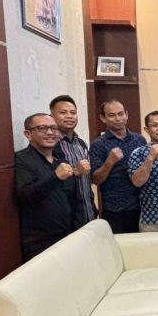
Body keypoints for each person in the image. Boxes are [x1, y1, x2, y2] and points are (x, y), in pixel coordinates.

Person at [15, 113, 77, 261]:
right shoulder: (22, 159)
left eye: (54, 128)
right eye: (42, 128)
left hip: (66, 234)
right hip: (40, 240)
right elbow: (25, 195)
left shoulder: (59, 159)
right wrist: (55, 177)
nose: (50, 132)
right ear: (28, 134)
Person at [89, 100, 146, 233]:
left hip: (143, 205)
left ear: (126, 115)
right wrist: (109, 161)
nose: (118, 119)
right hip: (116, 209)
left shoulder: (139, 139)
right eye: (112, 115)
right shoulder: (98, 144)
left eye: (121, 114)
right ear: (103, 118)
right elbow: (95, 179)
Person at [49, 95, 97, 229]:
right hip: (64, 219)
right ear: (51, 116)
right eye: (63, 112)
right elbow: (49, 181)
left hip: (87, 213)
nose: (69, 116)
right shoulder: (49, 145)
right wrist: (75, 171)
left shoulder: (80, 143)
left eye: (73, 112)